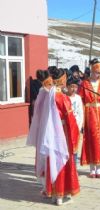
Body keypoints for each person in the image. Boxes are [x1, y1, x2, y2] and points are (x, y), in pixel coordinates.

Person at [27, 68, 80, 206]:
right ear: (62, 80)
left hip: (50, 134)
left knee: (52, 161)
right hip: (62, 133)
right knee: (62, 160)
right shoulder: (62, 97)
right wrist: (75, 134)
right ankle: (61, 196)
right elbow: (70, 119)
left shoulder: (48, 95)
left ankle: (54, 194)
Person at [66, 77, 84, 165]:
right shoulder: (64, 97)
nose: (74, 89)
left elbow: (81, 113)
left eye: (75, 87)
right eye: (72, 87)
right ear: (67, 87)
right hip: (66, 126)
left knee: (75, 147)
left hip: (76, 126)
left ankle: (73, 166)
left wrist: (79, 126)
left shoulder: (78, 98)